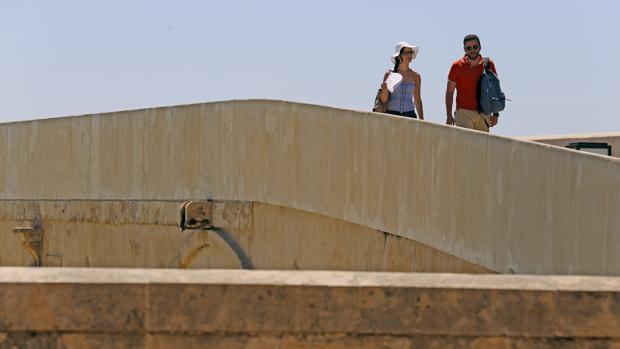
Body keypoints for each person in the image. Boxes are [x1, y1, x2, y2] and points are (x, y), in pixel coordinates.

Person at [445, 34, 499, 132]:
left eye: (475, 47)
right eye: (468, 48)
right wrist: (449, 115)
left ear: (480, 47)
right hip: (463, 112)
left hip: (484, 113)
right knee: (465, 145)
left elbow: (495, 90)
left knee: (481, 147)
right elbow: (449, 92)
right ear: (464, 49)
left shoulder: (488, 64)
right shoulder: (456, 66)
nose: (472, 50)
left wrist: (495, 114)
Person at [379, 41, 424, 120]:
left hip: (410, 115)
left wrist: (422, 120)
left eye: (410, 52)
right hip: (391, 114)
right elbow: (383, 100)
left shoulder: (416, 76)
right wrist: (384, 91)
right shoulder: (389, 74)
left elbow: (417, 100)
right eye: (406, 52)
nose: (409, 54)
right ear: (398, 56)